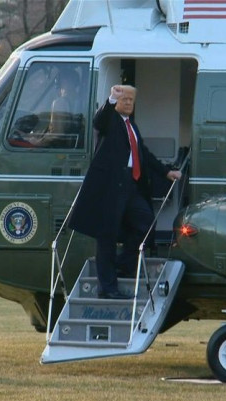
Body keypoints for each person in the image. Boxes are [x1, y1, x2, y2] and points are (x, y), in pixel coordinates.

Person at [69, 85, 181, 299]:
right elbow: (98, 121)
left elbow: (143, 154)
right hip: (110, 187)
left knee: (146, 223)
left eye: (131, 100)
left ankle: (122, 265)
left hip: (131, 185)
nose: (128, 103)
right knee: (107, 236)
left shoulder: (131, 126)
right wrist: (111, 98)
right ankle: (108, 288)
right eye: (124, 99)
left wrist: (166, 172)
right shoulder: (110, 120)